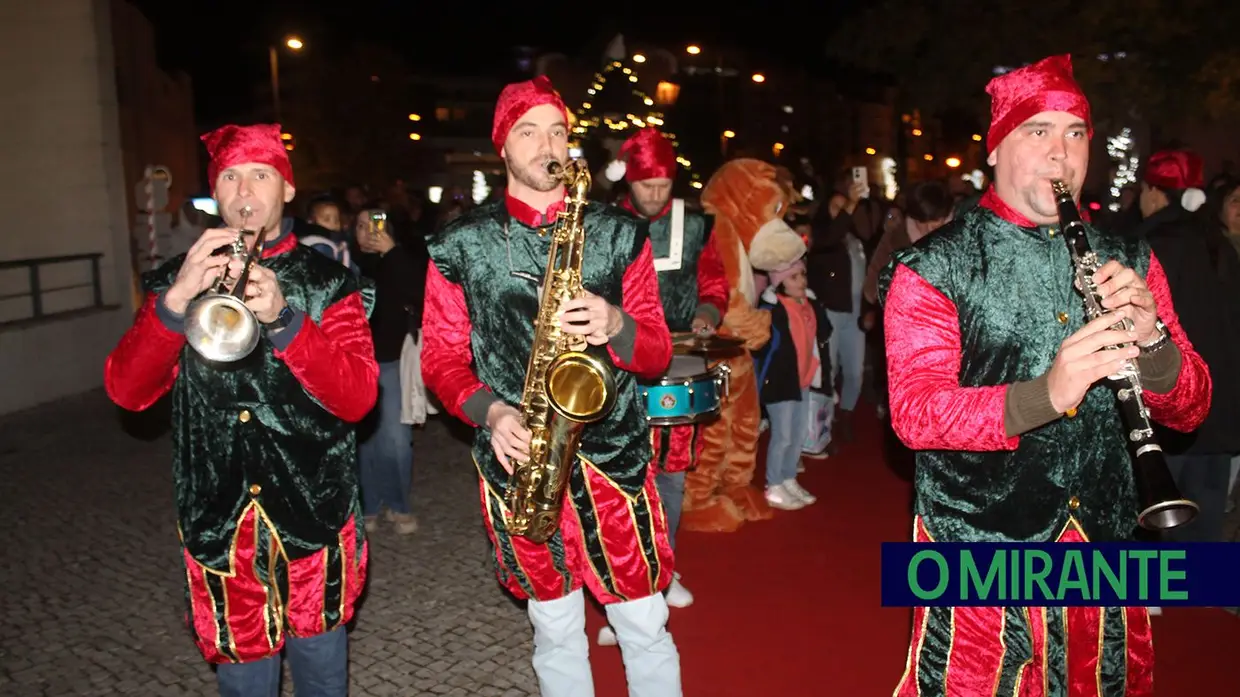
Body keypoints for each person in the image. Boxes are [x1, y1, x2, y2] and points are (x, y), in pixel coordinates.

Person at [878, 55, 1211, 695]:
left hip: (1105, 541)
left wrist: (1152, 342)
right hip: (981, 545)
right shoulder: (932, 267)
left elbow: (1191, 408)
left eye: (1075, 134)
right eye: (1038, 132)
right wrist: (1045, 396)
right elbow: (916, 414)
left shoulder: (1130, 257)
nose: (1060, 154)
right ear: (998, 146)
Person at [421, 76, 682, 697]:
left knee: (644, 623)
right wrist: (489, 411)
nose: (546, 146)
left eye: (557, 132)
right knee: (555, 626)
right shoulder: (460, 244)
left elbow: (657, 352)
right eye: (527, 132)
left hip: (612, 459)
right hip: (521, 461)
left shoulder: (619, 233)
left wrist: (618, 323)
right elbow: (439, 357)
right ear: (503, 149)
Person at [104, 123, 378, 696]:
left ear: (286, 189)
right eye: (231, 177)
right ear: (215, 192)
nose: (246, 192)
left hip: (314, 513)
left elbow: (358, 397)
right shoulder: (175, 280)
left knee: (322, 673)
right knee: (243, 681)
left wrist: (286, 320)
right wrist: (175, 303)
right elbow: (127, 393)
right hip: (221, 521)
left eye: (261, 175)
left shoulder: (329, 283)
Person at [595, 127, 729, 640]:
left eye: (664, 185)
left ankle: (662, 570)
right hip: (615, 365)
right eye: (647, 185)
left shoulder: (695, 224)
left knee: (670, 478)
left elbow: (714, 280)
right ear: (629, 180)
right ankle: (627, 589)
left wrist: (706, 311)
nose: (656, 195)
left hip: (678, 363)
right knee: (623, 478)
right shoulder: (604, 224)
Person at [753, 257, 831, 509]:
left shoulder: (808, 304)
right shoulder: (774, 309)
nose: (802, 281)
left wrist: (815, 305)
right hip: (780, 382)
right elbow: (762, 345)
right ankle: (774, 484)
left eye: (803, 275)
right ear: (780, 282)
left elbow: (824, 332)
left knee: (797, 435)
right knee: (783, 435)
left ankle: (788, 478)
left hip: (803, 379)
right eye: (794, 277)